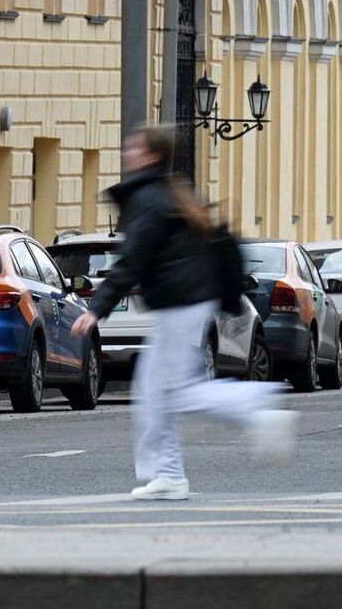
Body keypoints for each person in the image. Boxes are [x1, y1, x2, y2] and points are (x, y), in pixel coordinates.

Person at [71, 126, 297, 501]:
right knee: (154, 390)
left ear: (152, 155)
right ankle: (169, 475)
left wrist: (97, 308)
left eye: (134, 148)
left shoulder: (149, 197)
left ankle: (257, 408)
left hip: (182, 305)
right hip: (188, 302)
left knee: (174, 393)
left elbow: (133, 259)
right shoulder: (170, 191)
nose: (127, 153)